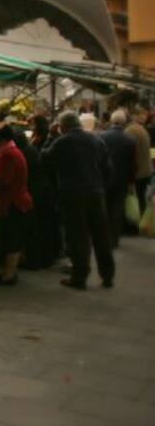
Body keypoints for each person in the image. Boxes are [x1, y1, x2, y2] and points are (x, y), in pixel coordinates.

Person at [42, 111, 114, 290]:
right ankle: (108, 275)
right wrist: (100, 186)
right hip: (96, 193)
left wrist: (50, 137)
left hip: (73, 194)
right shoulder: (97, 140)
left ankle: (79, 277)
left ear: (62, 126)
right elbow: (108, 168)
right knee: (101, 236)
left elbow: (44, 158)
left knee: (78, 236)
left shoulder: (62, 141)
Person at [0, 126, 33, 285]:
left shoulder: (8, 155)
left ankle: (8, 275)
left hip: (13, 202)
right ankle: (10, 272)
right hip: (20, 200)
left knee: (12, 238)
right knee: (15, 237)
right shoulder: (16, 152)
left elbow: (2, 180)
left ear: (2, 141)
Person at [13, 126, 58, 269]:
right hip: (44, 192)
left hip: (36, 194)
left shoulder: (23, 153)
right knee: (43, 228)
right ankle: (46, 258)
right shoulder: (30, 150)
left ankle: (34, 260)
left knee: (35, 229)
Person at [100, 109, 136, 247]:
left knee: (105, 208)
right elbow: (133, 164)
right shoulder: (130, 140)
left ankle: (104, 237)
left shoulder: (102, 136)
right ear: (124, 122)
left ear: (111, 121)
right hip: (122, 179)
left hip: (105, 178)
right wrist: (131, 181)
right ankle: (114, 239)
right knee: (117, 209)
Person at [123, 108, 152, 216]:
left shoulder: (130, 131)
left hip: (138, 172)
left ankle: (136, 221)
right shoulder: (142, 129)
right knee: (141, 198)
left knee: (135, 199)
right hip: (146, 170)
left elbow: (130, 154)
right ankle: (142, 219)